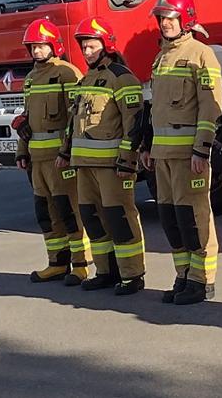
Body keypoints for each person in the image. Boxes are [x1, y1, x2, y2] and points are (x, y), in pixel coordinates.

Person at [146, 0, 222, 305]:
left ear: (186, 19)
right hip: (163, 156)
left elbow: (211, 107)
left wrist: (201, 149)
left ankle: (202, 279)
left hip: (188, 157)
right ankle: (183, 276)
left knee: (194, 217)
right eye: (162, 18)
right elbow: (156, 109)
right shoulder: (160, 58)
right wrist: (147, 147)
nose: (165, 24)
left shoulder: (201, 54)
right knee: (172, 218)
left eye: (170, 18)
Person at [61, 17, 148, 295]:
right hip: (84, 166)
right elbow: (74, 119)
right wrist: (65, 152)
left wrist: (127, 160)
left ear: (106, 45)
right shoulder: (86, 79)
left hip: (112, 166)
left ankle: (132, 275)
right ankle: (106, 271)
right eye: (84, 47)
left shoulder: (122, 77)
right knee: (93, 218)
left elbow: (134, 122)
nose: (87, 52)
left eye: (92, 46)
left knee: (119, 218)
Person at [13, 19, 86, 284]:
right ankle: (56, 263)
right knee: (45, 213)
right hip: (37, 159)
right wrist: (22, 151)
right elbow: (27, 118)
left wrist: (67, 153)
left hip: (59, 160)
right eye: (32, 47)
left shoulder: (68, 74)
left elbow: (75, 118)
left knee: (69, 210)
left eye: (41, 46)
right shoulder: (31, 78)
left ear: (53, 46)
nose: (36, 52)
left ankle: (80, 265)